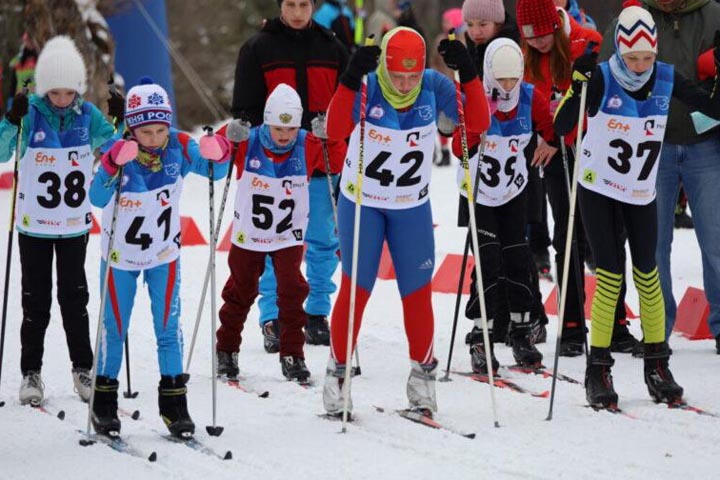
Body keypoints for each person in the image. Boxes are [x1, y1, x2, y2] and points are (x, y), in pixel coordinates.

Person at [555, 6, 720, 406]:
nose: (641, 65)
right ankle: (599, 369)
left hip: (640, 191)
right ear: (619, 52)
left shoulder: (665, 76)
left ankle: (657, 363)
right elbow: (561, 126)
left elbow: (708, 106)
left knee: (648, 273)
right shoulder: (604, 77)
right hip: (599, 190)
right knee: (611, 275)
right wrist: (577, 87)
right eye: (633, 58)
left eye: (647, 57)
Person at [322, 27, 490, 418]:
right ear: (384, 67)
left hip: (411, 207)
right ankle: (337, 378)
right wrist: (348, 78)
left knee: (417, 294)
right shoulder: (367, 87)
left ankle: (422, 385)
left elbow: (477, 122)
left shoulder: (433, 86)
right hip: (363, 203)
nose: (404, 85)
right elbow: (332, 132)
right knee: (356, 290)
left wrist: (469, 72)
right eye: (397, 76)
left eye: (411, 77)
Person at [88, 78, 230, 438]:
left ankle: (173, 403)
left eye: (159, 129)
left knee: (168, 329)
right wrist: (109, 165)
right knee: (114, 330)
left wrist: (219, 150)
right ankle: (104, 400)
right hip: (120, 258)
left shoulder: (179, 146)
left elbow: (215, 168)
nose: (153, 138)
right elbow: (97, 199)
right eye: (145, 131)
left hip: (163, 255)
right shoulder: (119, 149)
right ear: (131, 127)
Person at [0, 36, 117, 406]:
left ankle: (82, 367)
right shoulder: (30, 112)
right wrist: (10, 120)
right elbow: (3, 153)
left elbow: (116, 152)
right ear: (43, 87)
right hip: (34, 225)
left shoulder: (87, 115)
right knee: (35, 302)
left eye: (69, 92)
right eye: (55, 92)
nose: (63, 99)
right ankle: (30, 372)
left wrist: (120, 119)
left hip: (73, 226)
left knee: (74, 299)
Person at [599, 0, 720, 355]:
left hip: (706, 142)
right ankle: (657, 328)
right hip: (652, 146)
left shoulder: (712, 13)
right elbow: (607, 69)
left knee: (715, 240)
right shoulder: (635, 15)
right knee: (653, 244)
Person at [231, 0, 349, 352]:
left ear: (313, 6)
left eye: (304, 4)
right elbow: (245, 109)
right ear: (280, 5)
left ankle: (316, 313)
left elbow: (345, 101)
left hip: (321, 159)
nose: (297, 12)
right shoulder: (258, 47)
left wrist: (334, 127)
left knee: (323, 241)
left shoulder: (332, 46)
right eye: (290, 4)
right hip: (273, 166)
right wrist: (244, 135)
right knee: (273, 243)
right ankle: (274, 315)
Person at [215, 84, 343, 383]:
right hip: (250, 234)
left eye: (290, 128)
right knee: (241, 291)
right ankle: (227, 349)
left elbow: (335, 162)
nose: (284, 136)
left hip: (288, 235)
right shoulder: (250, 141)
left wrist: (330, 137)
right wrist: (227, 133)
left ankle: (293, 355)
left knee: (292, 292)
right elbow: (217, 152)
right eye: (277, 128)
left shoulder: (307, 143)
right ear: (267, 123)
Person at [454, 38, 558, 373]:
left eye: (513, 79)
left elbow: (552, 127)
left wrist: (550, 144)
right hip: (481, 194)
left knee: (518, 257)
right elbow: (457, 147)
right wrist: (477, 121)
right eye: (502, 81)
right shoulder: (476, 98)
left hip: (514, 191)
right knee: (487, 259)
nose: (508, 87)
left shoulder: (530, 97)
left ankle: (521, 329)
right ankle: (480, 334)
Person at [516, 0, 607, 357]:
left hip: (590, 148)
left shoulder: (586, 42)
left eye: (541, 36)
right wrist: (548, 137)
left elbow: (594, 102)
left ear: (554, 24)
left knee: (599, 236)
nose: (537, 43)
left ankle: (612, 322)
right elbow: (535, 105)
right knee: (566, 235)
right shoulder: (529, 57)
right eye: (529, 38)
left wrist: (560, 136)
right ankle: (571, 322)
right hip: (554, 153)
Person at [429, 8, 465, 167]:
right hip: (443, 87)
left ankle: (463, 148)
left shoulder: (463, 41)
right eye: (443, 21)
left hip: (459, 87)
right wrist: (437, 78)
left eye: (448, 21)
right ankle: (444, 149)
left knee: (459, 118)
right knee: (442, 118)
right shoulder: (439, 40)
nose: (445, 25)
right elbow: (433, 61)